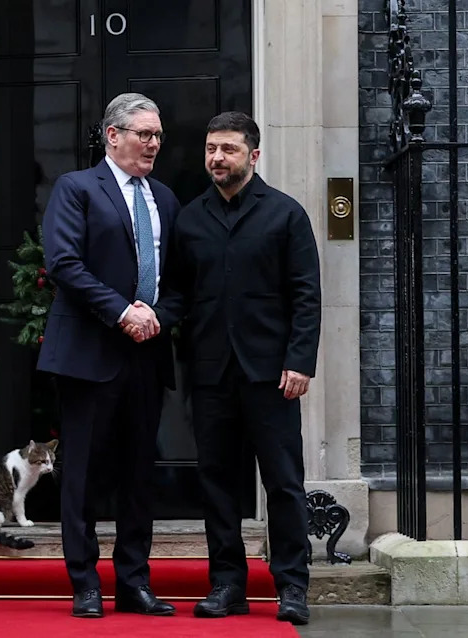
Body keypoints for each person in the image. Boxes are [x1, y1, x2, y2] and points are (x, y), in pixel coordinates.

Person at [130, 111, 321, 625]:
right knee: (216, 483)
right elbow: (177, 294)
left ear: (253, 156)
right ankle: (228, 586)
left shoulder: (287, 215)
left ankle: (292, 587)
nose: (217, 157)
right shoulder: (189, 219)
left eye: (228, 149)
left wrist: (300, 361)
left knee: (283, 483)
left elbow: (306, 295)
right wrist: (150, 318)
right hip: (211, 374)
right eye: (211, 148)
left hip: (271, 376)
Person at [37, 93, 181, 619]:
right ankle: (84, 583)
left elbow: (178, 276)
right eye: (144, 134)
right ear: (112, 135)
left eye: (158, 135)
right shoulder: (77, 189)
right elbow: (65, 264)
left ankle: (134, 581)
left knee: (138, 473)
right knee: (82, 474)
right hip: (88, 355)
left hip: (146, 354)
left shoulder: (165, 197)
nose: (153, 144)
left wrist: (158, 315)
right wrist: (123, 312)